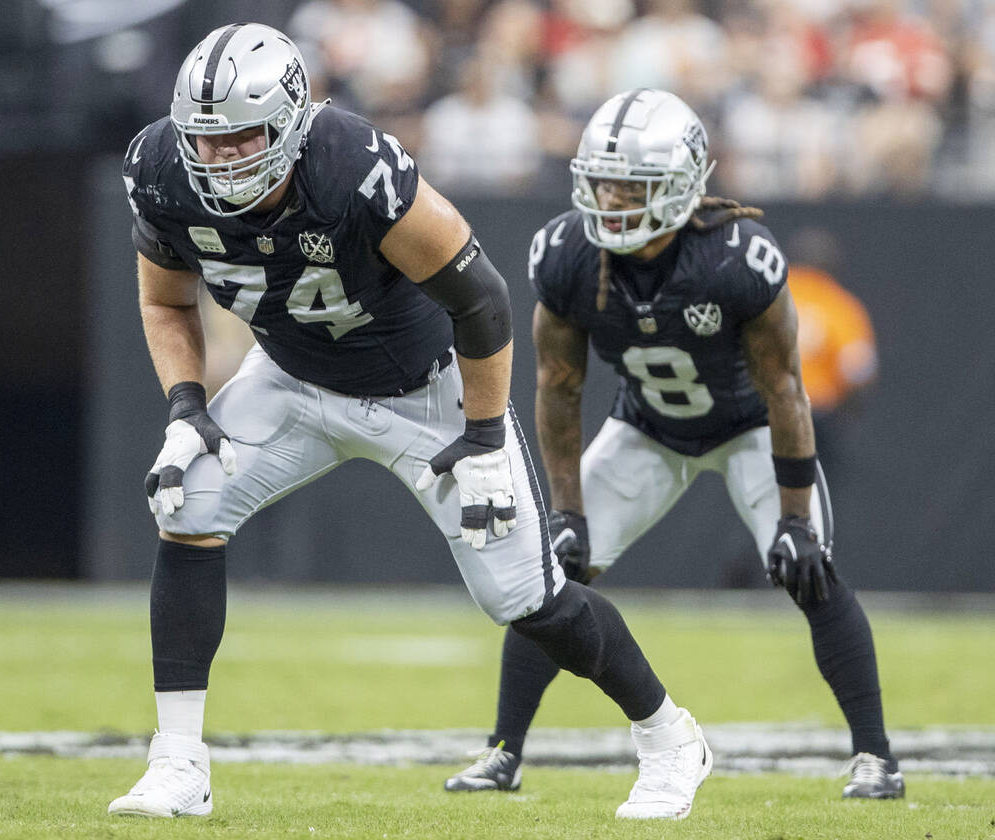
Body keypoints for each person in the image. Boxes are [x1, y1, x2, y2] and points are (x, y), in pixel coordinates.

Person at [109, 24, 711, 821]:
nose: (221, 160)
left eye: (242, 138)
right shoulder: (160, 169)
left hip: (423, 393)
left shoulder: (353, 167)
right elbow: (165, 300)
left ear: (290, 118)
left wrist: (488, 435)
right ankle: (179, 762)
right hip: (289, 377)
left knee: (528, 598)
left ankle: (671, 739)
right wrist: (187, 406)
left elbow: (483, 297)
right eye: (206, 141)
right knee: (187, 501)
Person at [443, 88, 903, 800]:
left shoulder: (736, 257)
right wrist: (567, 512)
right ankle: (503, 751)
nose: (613, 197)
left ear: (684, 186)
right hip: (648, 429)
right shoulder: (568, 254)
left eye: (633, 183)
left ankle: (877, 757)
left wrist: (794, 517)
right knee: (548, 575)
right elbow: (559, 388)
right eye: (602, 181)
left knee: (810, 571)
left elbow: (786, 390)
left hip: (750, 425)